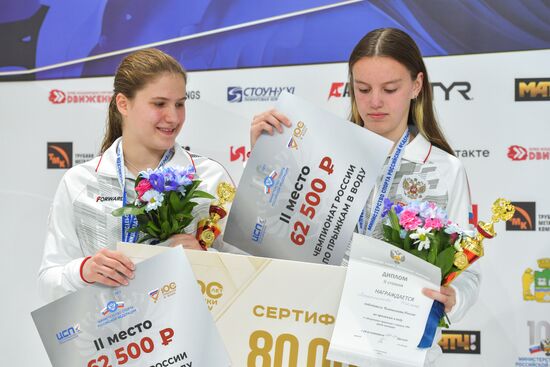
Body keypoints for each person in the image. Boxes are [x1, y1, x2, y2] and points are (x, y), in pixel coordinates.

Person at [250, 28, 480, 365]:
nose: (374, 102)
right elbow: (264, 235)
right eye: (363, 89)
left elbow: (468, 272)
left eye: (389, 89)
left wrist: (454, 295)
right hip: (318, 337)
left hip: (400, 348)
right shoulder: (321, 155)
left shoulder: (446, 169)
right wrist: (262, 158)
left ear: (416, 86)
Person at [38, 48, 239, 302]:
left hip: (190, 337)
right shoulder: (80, 181)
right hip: (110, 337)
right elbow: (48, 283)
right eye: (159, 104)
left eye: (179, 104)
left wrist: (204, 262)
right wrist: (84, 271)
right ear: (123, 104)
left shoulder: (209, 177)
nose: (174, 117)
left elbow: (252, 272)